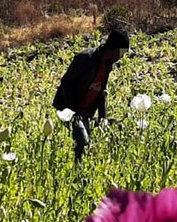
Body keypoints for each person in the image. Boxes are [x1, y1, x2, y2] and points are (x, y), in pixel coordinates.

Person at [53, 29, 130, 162]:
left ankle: (79, 171)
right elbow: (66, 81)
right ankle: (76, 174)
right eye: (122, 52)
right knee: (82, 141)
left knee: (87, 144)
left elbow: (101, 91)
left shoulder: (107, 65)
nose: (122, 56)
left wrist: (102, 118)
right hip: (70, 108)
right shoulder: (86, 58)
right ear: (113, 49)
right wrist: (73, 110)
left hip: (85, 111)